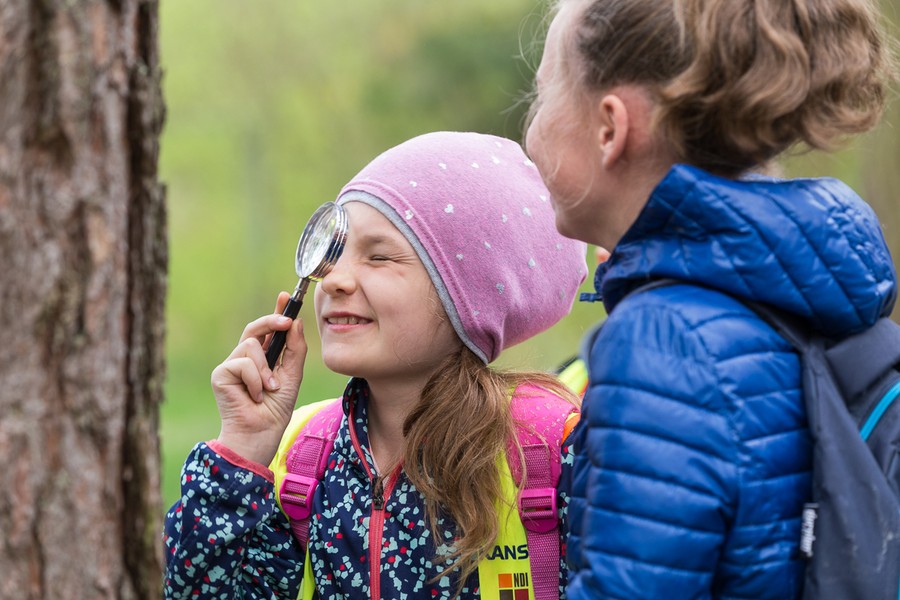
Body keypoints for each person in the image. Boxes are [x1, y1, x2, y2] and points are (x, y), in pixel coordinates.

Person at [524, 0, 897, 598]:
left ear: (610, 128)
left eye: (542, 96)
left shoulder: (665, 338)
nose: (531, 130)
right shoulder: (787, 289)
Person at [162, 131, 589, 598]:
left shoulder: (554, 450)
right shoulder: (299, 458)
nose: (335, 281)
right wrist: (242, 449)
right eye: (334, 255)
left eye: (380, 256)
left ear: (471, 298)